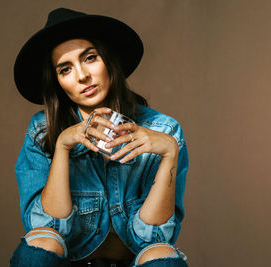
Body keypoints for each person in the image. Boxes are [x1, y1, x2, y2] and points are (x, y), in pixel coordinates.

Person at [10, 8, 189, 267]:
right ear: (58, 82)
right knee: (40, 245)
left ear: (109, 61)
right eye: (65, 69)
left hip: (134, 262)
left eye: (90, 58)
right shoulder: (42, 130)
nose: (82, 76)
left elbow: (154, 238)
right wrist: (62, 146)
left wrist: (170, 152)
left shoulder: (164, 130)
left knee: (163, 258)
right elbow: (47, 227)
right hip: (67, 261)